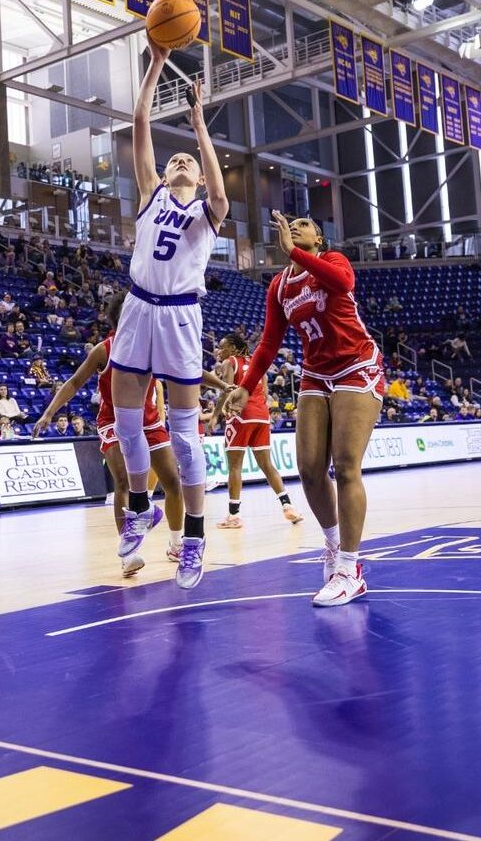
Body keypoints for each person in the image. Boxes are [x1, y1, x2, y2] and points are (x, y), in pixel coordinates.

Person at [108, 49, 228, 590]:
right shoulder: (151, 194)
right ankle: (139, 508)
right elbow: (139, 123)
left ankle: (195, 538)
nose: (177, 162)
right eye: (173, 159)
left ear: (198, 179)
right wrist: (156, 62)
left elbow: (223, 194)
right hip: (136, 308)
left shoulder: (206, 212)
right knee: (127, 423)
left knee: (182, 437)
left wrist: (200, 124)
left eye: (188, 163)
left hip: (180, 317)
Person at [224, 212, 381, 607]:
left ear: (319, 238)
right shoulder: (279, 286)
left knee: (346, 466)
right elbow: (268, 344)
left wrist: (293, 250)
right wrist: (244, 388)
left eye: (305, 224)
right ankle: (332, 545)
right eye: (291, 225)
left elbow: (344, 283)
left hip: (356, 366)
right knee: (310, 470)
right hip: (315, 374)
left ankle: (350, 567)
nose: (296, 225)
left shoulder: (333, 262)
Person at [35, 295, 187, 576]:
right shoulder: (104, 350)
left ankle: (177, 544)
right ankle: (128, 553)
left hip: (150, 421)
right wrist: (49, 413)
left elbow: (184, 370)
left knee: (172, 482)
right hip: (113, 421)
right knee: (123, 481)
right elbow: (75, 382)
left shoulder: (151, 346)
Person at [213, 333, 300, 528]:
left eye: (223, 347)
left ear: (234, 349)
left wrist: (214, 415)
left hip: (240, 415)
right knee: (267, 465)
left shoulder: (230, 362)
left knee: (235, 467)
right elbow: (266, 393)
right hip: (261, 415)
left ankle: (234, 516)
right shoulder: (256, 362)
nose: (220, 351)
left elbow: (227, 390)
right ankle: (288, 506)